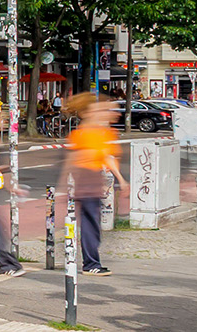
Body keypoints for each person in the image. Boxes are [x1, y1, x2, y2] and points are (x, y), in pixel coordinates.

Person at [59, 93, 124, 275]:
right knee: (90, 223)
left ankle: (91, 262)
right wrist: (63, 186)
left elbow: (107, 156)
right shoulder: (85, 133)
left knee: (92, 223)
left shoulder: (102, 132)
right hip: (86, 180)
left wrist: (121, 179)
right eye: (107, 110)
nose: (114, 113)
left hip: (93, 179)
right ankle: (91, 264)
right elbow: (74, 159)